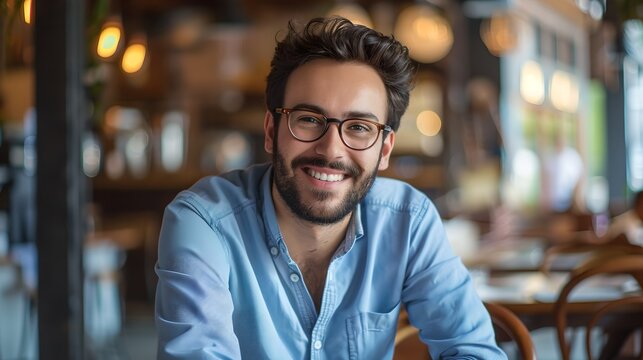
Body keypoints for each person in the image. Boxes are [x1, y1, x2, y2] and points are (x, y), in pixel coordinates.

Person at [155, 17, 506, 359]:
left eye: (359, 127)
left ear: (384, 149)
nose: (331, 150)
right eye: (308, 120)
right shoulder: (203, 223)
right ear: (271, 130)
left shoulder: (408, 222)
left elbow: (473, 351)